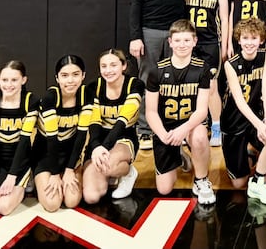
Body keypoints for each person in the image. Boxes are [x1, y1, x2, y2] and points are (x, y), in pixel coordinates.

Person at [129, 0, 189, 151]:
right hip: (150, 31)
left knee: (177, 81)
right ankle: (144, 131)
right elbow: (136, 2)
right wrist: (136, 36)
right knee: (149, 80)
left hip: (178, 33)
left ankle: (177, 128)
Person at [145, 19, 216, 204]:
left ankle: (201, 180)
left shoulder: (202, 69)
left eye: (186, 40)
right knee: (164, 189)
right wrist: (163, 135)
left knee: (200, 135)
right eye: (177, 41)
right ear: (170, 42)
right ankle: (181, 154)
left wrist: (183, 130)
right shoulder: (156, 71)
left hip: (191, 124)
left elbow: (201, 111)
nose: (182, 45)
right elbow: (151, 111)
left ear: (195, 41)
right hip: (166, 127)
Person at [222, 18, 266, 204]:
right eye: (245, 38)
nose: (249, 42)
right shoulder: (230, 64)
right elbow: (239, 101)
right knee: (239, 184)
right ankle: (251, 154)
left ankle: (258, 181)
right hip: (234, 121)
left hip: (257, 116)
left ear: (261, 40)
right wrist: (259, 125)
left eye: (254, 38)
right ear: (238, 40)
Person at [82, 49, 144, 203]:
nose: (108, 70)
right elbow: (94, 122)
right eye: (104, 66)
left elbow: (122, 122)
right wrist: (96, 146)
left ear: (123, 66)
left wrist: (104, 148)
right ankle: (109, 172)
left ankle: (128, 172)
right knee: (91, 197)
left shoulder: (135, 84)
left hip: (124, 136)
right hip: (99, 139)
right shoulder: (93, 87)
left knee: (108, 166)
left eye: (113, 65)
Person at [0, 60, 40, 217]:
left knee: (4, 208)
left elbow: (24, 142)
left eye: (14, 80)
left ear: (24, 80)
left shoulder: (30, 102)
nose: (9, 84)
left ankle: (28, 178)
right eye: (5, 80)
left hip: (20, 164)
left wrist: (12, 177)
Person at [33, 55, 91, 212]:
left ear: (83, 75)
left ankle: (77, 172)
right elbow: (51, 140)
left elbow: (81, 137)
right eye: (64, 76)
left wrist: (70, 169)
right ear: (57, 78)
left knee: (71, 201)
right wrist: (54, 174)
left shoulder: (86, 96)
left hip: (70, 155)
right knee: (52, 204)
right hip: (46, 155)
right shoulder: (50, 98)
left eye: (76, 74)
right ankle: (35, 177)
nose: (70, 81)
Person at [186, 0, 230, 147]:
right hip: (190, 44)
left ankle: (216, 126)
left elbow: (226, 20)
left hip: (211, 44)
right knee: (192, 85)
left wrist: (226, 46)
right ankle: (195, 125)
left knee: (212, 86)